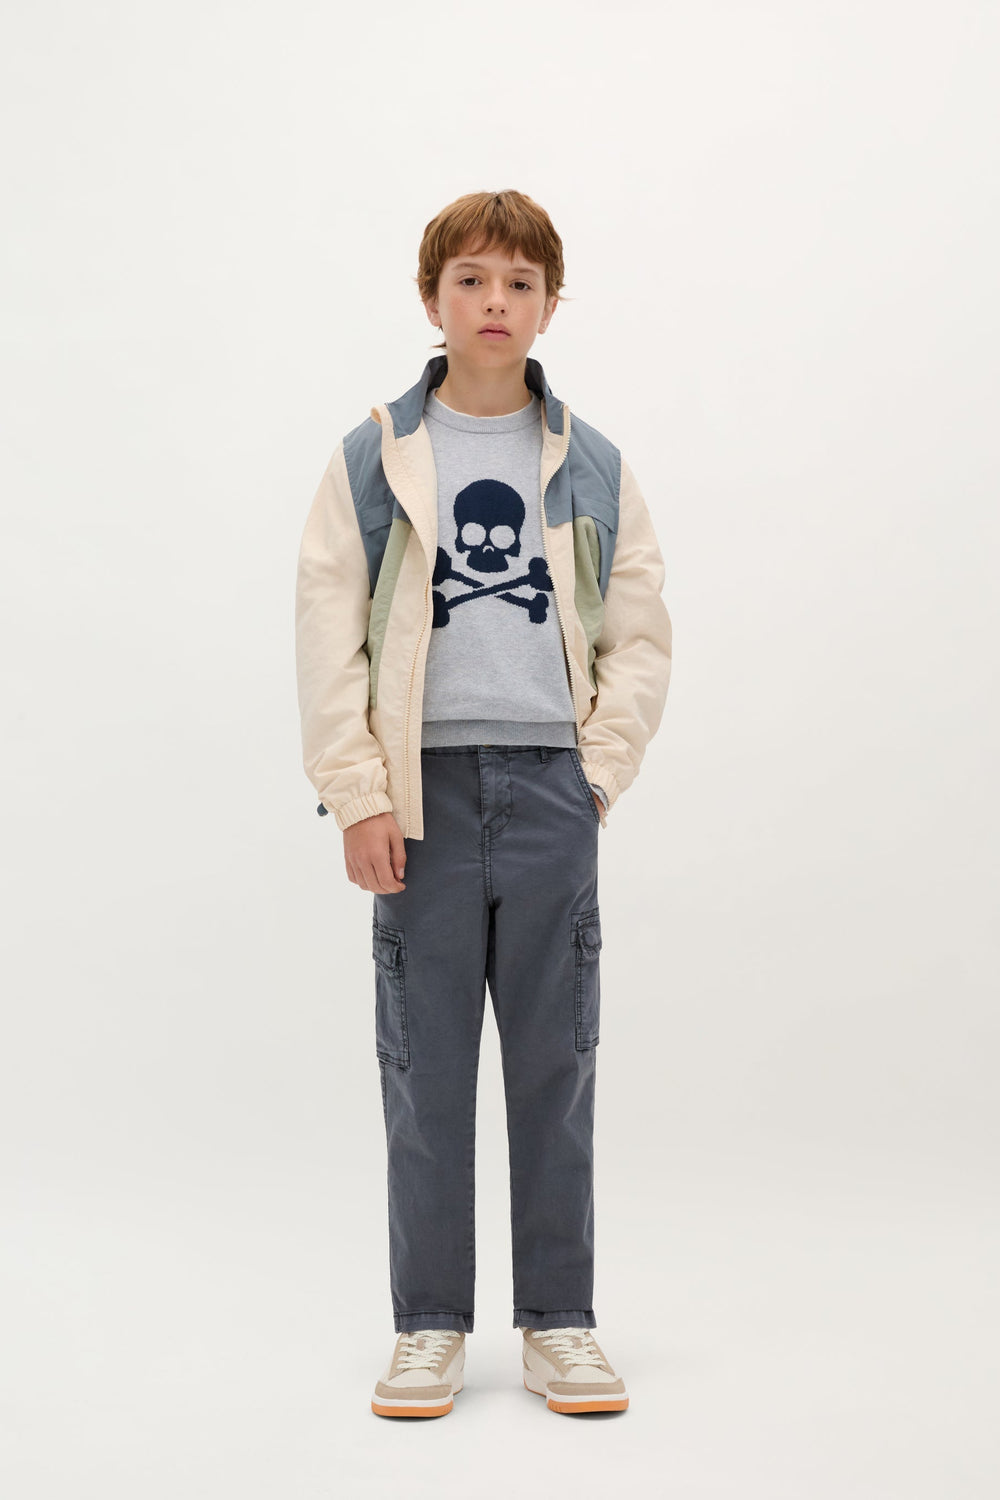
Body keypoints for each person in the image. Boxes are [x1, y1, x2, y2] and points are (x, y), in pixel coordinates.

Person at [294, 189, 672, 1418]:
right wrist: (359, 793)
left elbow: (639, 636)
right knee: (424, 1071)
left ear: (550, 304)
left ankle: (560, 1320)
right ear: (432, 298)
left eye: (518, 282)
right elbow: (327, 637)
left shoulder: (592, 463)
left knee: (557, 1066)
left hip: (552, 787)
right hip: (421, 800)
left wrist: (594, 774)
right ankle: (428, 1325)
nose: (494, 301)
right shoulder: (374, 459)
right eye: (470, 279)